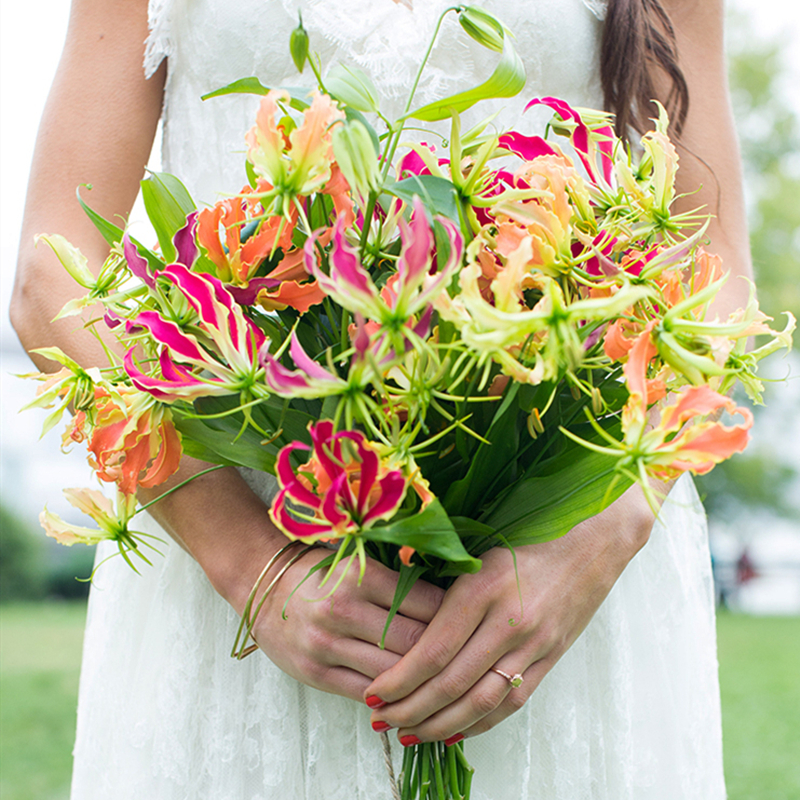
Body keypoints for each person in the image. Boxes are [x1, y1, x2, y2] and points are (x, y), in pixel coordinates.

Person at [11, 0, 751, 797]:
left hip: (558, 570)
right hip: (245, 567)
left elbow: (715, 271)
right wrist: (250, 566)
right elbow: (52, 276)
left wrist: (604, 525)